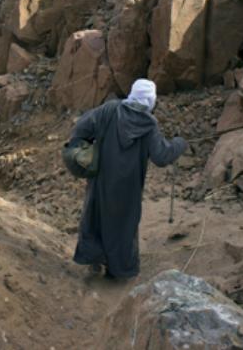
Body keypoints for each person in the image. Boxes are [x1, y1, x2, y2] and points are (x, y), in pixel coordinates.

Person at [69, 79, 187, 279]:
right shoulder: (149, 125)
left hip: (101, 179)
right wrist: (179, 143)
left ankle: (94, 260)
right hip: (129, 188)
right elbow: (161, 156)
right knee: (123, 227)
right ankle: (118, 271)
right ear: (150, 100)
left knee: (96, 216)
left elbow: (81, 128)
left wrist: (87, 151)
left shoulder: (109, 110)